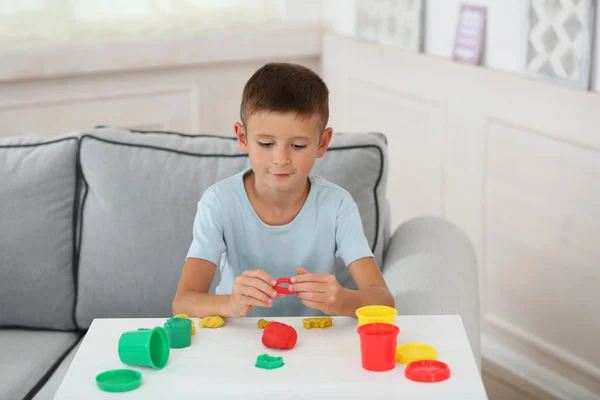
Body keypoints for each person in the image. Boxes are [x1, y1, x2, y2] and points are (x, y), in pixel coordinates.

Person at [172, 62, 394, 319]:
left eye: (298, 145)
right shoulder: (218, 203)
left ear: (322, 143)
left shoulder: (337, 206)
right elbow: (183, 302)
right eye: (266, 143)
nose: (281, 159)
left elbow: (384, 301)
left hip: (315, 343)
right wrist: (230, 305)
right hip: (239, 342)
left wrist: (343, 300)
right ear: (242, 138)